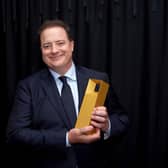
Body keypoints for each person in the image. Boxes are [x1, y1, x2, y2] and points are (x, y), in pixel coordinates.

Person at [6, 19, 129, 168]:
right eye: (46, 46)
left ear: (72, 45)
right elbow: (16, 134)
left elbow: (122, 120)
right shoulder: (28, 87)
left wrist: (106, 125)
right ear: (41, 50)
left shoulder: (98, 79)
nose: (54, 50)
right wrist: (67, 138)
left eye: (60, 43)